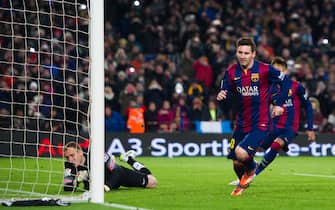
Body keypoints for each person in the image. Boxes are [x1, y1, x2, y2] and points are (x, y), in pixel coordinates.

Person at [216, 37, 290, 196]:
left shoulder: (265, 70)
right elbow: (225, 88)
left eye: (246, 53)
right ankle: (245, 180)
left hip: (261, 123)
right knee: (236, 163)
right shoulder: (231, 72)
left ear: (253, 54)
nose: (242, 56)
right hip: (241, 123)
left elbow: (286, 82)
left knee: (242, 153)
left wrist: (279, 104)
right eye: (240, 52)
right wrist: (223, 93)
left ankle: (252, 167)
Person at [229, 56, 316, 186]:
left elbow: (308, 105)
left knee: (276, 146)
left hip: (289, 127)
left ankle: (254, 175)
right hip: (272, 127)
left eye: (280, 70)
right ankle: (246, 174)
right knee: (250, 150)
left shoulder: (296, 86)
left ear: (285, 72)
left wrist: (310, 127)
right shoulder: (267, 88)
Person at [63, 141, 157, 192]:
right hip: (109, 183)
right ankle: (129, 158)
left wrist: (107, 186)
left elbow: (118, 171)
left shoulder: (96, 155)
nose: (70, 159)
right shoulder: (69, 165)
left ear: (80, 152)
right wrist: (76, 180)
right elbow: (67, 187)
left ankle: (129, 159)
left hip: (118, 177)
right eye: (67, 157)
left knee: (152, 182)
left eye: (72, 155)